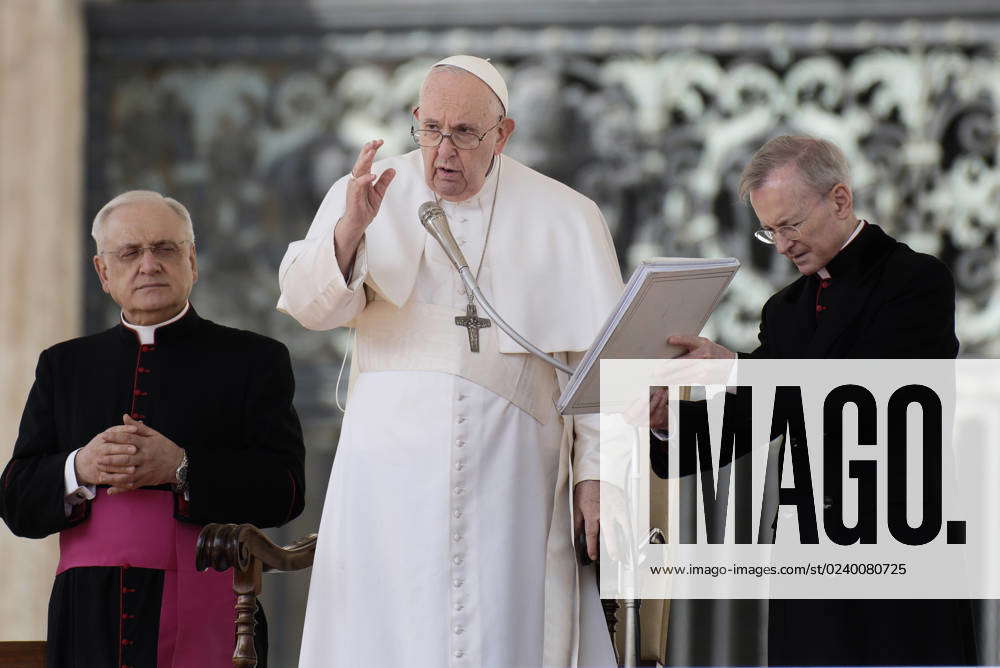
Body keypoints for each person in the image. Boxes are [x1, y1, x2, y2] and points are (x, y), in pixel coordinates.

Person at [278, 55, 623, 667]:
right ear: (414, 120)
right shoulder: (364, 191)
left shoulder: (567, 215)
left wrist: (596, 476)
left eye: (465, 133)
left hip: (512, 479)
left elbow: (600, 365)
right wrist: (350, 230)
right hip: (386, 480)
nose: (444, 150)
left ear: (503, 134)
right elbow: (309, 306)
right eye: (431, 129)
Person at [665, 135, 975, 665]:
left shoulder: (916, 280)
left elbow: (865, 397)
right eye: (770, 231)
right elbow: (759, 416)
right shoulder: (785, 309)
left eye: (791, 225)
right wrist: (668, 422)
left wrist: (738, 368)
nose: (783, 245)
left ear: (839, 200)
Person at [0, 190, 306, 668]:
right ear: (103, 272)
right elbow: (15, 501)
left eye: (165, 249)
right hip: (86, 613)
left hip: (209, 600)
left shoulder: (254, 360)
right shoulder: (64, 366)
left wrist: (183, 467)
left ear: (192, 261)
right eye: (129, 253)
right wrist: (79, 467)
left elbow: (285, 493)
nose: (149, 265)